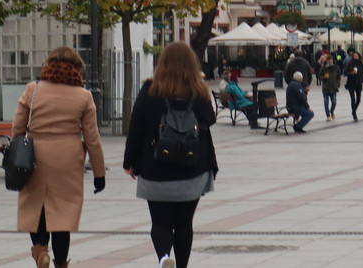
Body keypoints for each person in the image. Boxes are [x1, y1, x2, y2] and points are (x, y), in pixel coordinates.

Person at [124, 42, 219, 268]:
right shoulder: (199, 91)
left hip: (156, 168)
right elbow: (210, 120)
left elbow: (136, 127)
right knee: (185, 223)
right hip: (192, 169)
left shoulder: (150, 90)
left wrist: (130, 162)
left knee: (160, 222)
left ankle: (164, 258)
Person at [12, 47, 107, 268]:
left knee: (36, 208)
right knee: (62, 216)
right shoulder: (84, 97)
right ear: (76, 69)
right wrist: (99, 173)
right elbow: (92, 139)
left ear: (48, 65)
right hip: (68, 161)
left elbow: (17, 128)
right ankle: (61, 263)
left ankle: (40, 251)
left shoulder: (32, 90)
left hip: (34, 158)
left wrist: (17, 153)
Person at [319, 54, 341, 121]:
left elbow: (338, 77)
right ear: (327, 61)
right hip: (326, 87)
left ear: (333, 60)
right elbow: (320, 76)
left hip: (333, 87)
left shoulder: (336, 68)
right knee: (326, 102)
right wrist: (323, 78)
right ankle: (328, 115)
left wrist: (337, 84)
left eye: (331, 60)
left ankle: (331, 111)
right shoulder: (324, 68)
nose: (330, 62)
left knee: (334, 102)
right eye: (328, 61)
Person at [345, 50, 363, 121]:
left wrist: (362, 79)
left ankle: (353, 111)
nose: (356, 57)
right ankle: (354, 114)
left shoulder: (361, 63)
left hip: (358, 83)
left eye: (357, 56)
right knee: (353, 99)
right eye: (355, 56)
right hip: (351, 83)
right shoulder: (350, 63)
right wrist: (351, 73)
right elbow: (345, 72)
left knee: (358, 99)